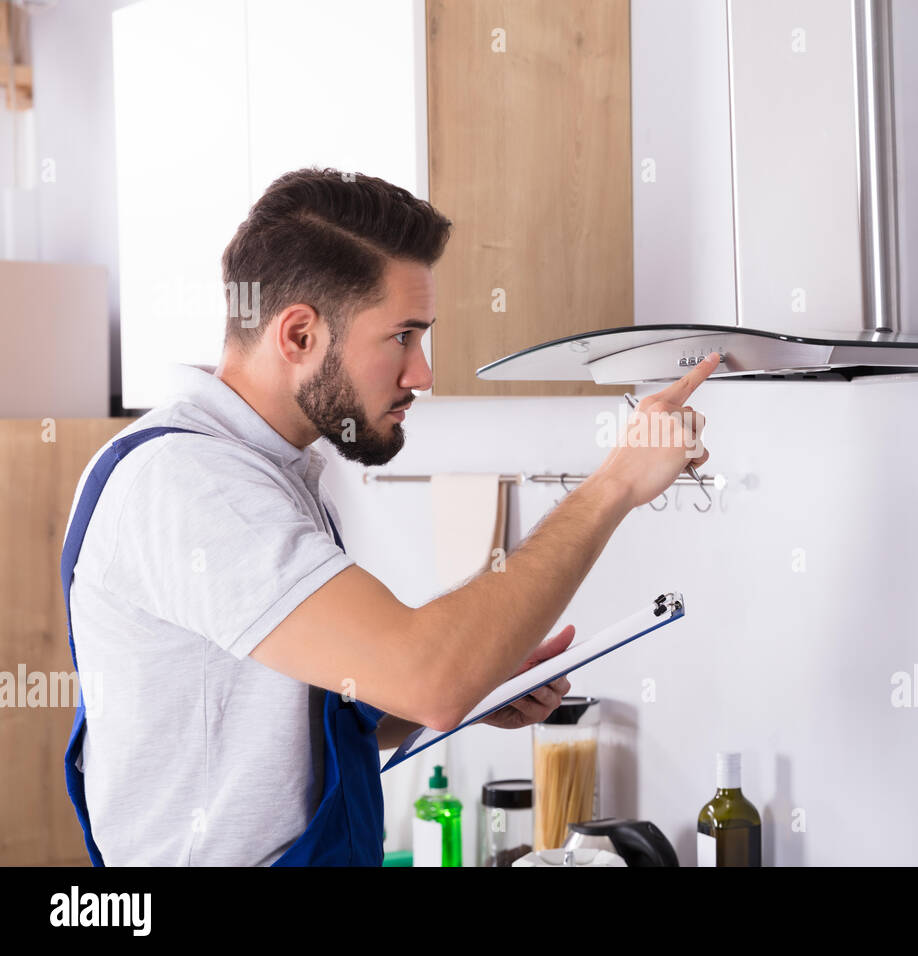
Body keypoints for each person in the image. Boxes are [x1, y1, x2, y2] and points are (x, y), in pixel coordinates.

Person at [60, 167, 718, 866]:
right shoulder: (192, 485)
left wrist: (478, 683)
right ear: (299, 335)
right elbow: (428, 677)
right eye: (402, 336)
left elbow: (286, 724)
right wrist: (615, 483)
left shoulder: (270, 470)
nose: (423, 373)